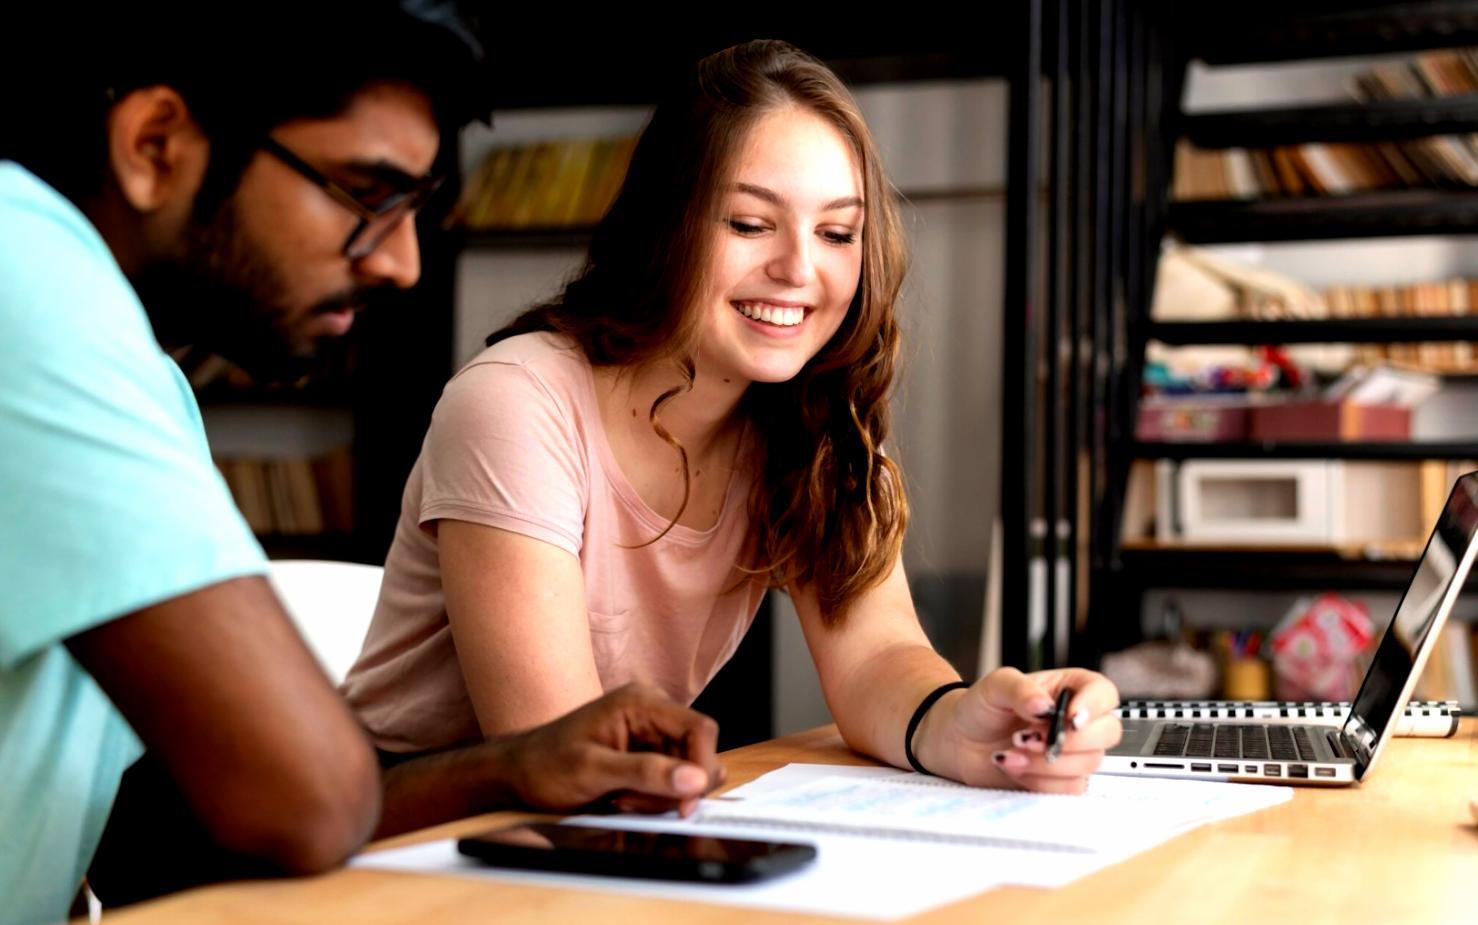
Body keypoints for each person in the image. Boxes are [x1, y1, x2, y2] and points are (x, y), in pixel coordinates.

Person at [0, 6, 719, 922]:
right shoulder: (24, 277)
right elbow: (307, 801)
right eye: (364, 193)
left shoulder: (140, 370)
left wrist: (511, 766)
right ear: (154, 144)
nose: (403, 264)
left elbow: (151, 829)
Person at [343, 40, 1122, 798]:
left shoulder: (815, 417)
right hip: (403, 829)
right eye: (750, 224)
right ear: (665, 226)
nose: (799, 268)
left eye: (837, 233)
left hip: (593, 818)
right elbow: (556, 752)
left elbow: (875, 656)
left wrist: (969, 725)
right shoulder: (518, 402)